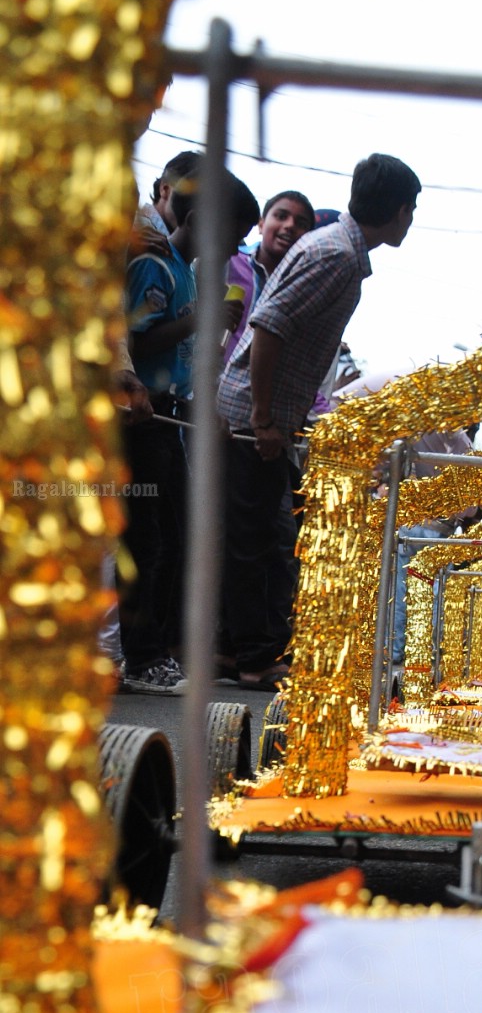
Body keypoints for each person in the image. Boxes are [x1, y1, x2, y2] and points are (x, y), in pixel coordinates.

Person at [216, 152, 422, 689]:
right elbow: (267, 327)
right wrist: (262, 418)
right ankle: (255, 659)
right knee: (258, 541)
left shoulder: (342, 253)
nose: (412, 219)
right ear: (400, 210)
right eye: (413, 209)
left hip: (277, 419)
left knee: (268, 535)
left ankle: (236, 649)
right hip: (250, 416)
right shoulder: (332, 253)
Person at [122, 169, 260, 693]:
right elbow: (136, 344)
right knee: (148, 540)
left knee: (174, 539)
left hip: (171, 415)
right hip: (142, 415)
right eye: (231, 236)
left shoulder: (188, 270)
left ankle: (158, 652)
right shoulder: (154, 266)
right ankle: (142, 657)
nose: (234, 248)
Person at [224, 189, 316, 358]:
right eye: (281, 216)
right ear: (261, 225)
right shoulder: (229, 260)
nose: (289, 226)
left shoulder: (304, 289)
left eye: (301, 224)